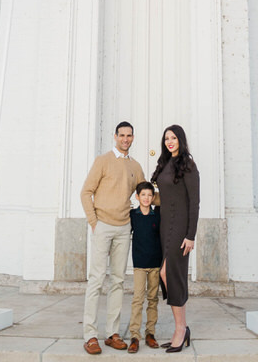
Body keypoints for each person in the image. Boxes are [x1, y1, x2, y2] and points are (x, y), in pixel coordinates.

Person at [81, 121, 146, 355]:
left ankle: (112, 333)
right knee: (96, 280)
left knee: (118, 281)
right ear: (115, 136)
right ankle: (90, 335)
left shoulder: (136, 166)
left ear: (133, 137)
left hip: (123, 228)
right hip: (103, 226)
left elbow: (145, 193)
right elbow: (86, 191)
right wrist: (94, 223)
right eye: (122, 135)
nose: (125, 139)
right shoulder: (103, 161)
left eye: (129, 135)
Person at [150, 125, 199, 353]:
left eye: (174, 138)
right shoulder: (165, 163)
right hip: (164, 226)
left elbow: (194, 202)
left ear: (181, 139)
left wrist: (191, 235)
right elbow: (165, 196)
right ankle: (181, 328)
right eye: (167, 138)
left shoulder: (188, 164)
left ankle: (181, 330)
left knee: (169, 274)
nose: (170, 141)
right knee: (168, 275)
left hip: (180, 228)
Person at [126, 182, 162, 352]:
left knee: (153, 299)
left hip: (155, 263)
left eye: (150, 195)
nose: (146, 198)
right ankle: (135, 336)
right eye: (143, 195)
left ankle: (150, 333)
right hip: (140, 264)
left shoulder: (158, 215)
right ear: (137, 197)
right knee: (138, 299)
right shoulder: (133, 215)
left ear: (153, 198)